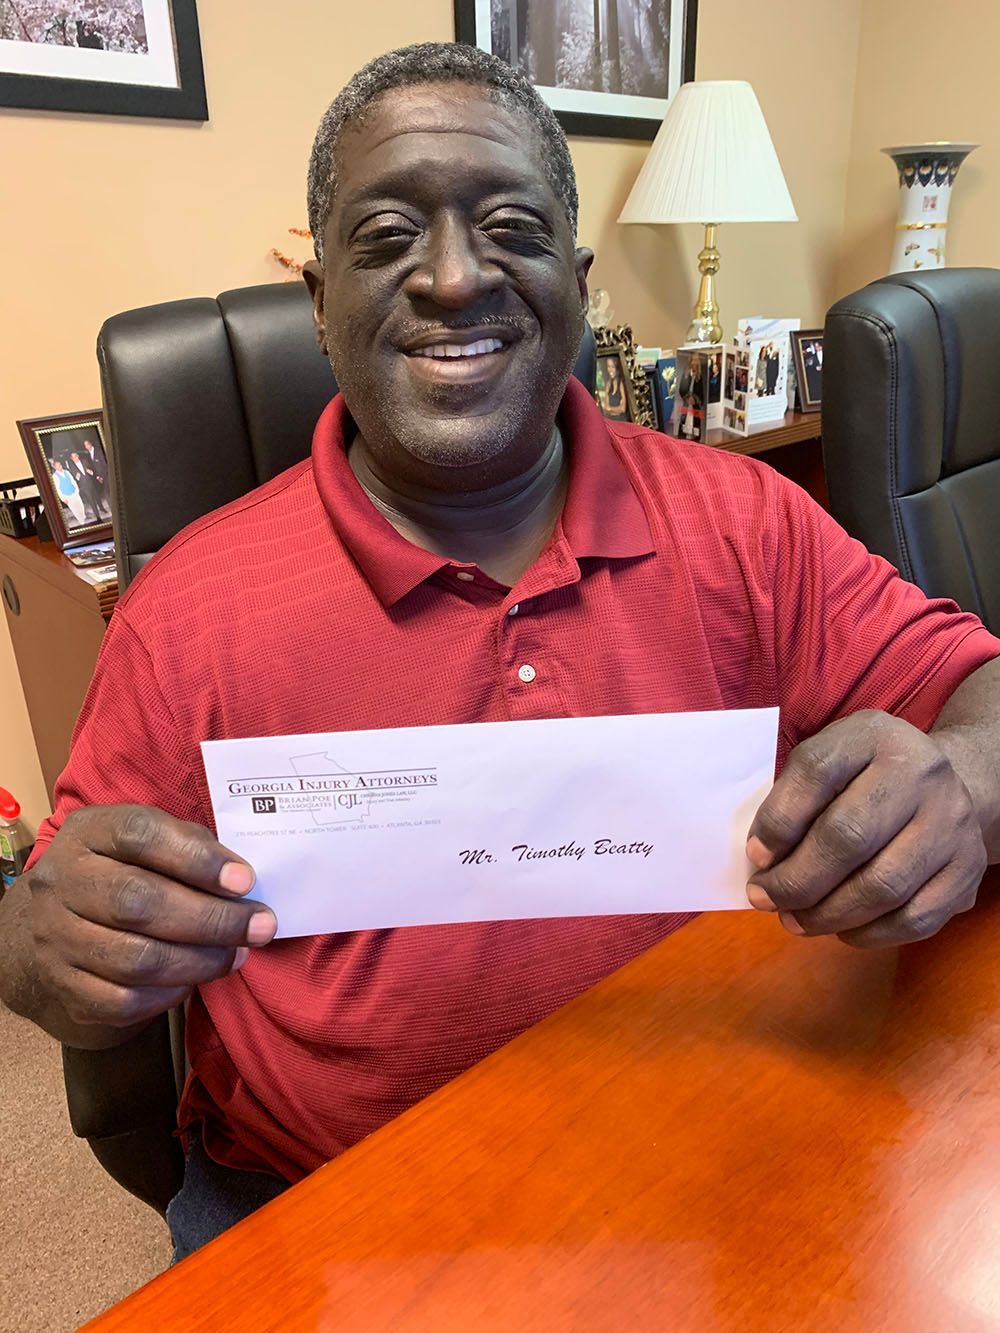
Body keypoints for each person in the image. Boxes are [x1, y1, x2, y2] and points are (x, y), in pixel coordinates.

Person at [1, 42, 999, 1263]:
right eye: (384, 238)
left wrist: (963, 781)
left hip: (712, 1135)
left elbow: (982, 698)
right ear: (319, 303)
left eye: (511, 227)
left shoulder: (748, 520)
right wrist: (36, 944)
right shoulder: (188, 609)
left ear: (576, 284)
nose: (456, 277)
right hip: (331, 1209)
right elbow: (53, 928)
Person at [50, 459, 86, 528]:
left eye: (60, 465)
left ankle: (83, 515)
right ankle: (81, 521)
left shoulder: (66, 472)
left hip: (74, 492)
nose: (59, 467)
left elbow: (73, 481)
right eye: (57, 466)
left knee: (80, 505)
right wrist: (63, 498)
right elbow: (57, 489)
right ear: (55, 467)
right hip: (66, 495)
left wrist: (77, 490)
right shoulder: (55, 476)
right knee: (74, 508)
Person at [82, 438, 112, 519]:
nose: (86, 447)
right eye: (85, 446)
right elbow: (93, 467)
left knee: (107, 494)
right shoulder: (88, 455)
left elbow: (105, 465)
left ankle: (114, 510)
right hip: (99, 478)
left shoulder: (99, 452)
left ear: (90, 444)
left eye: (87, 444)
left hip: (106, 475)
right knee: (107, 493)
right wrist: (97, 476)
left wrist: (101, 476)